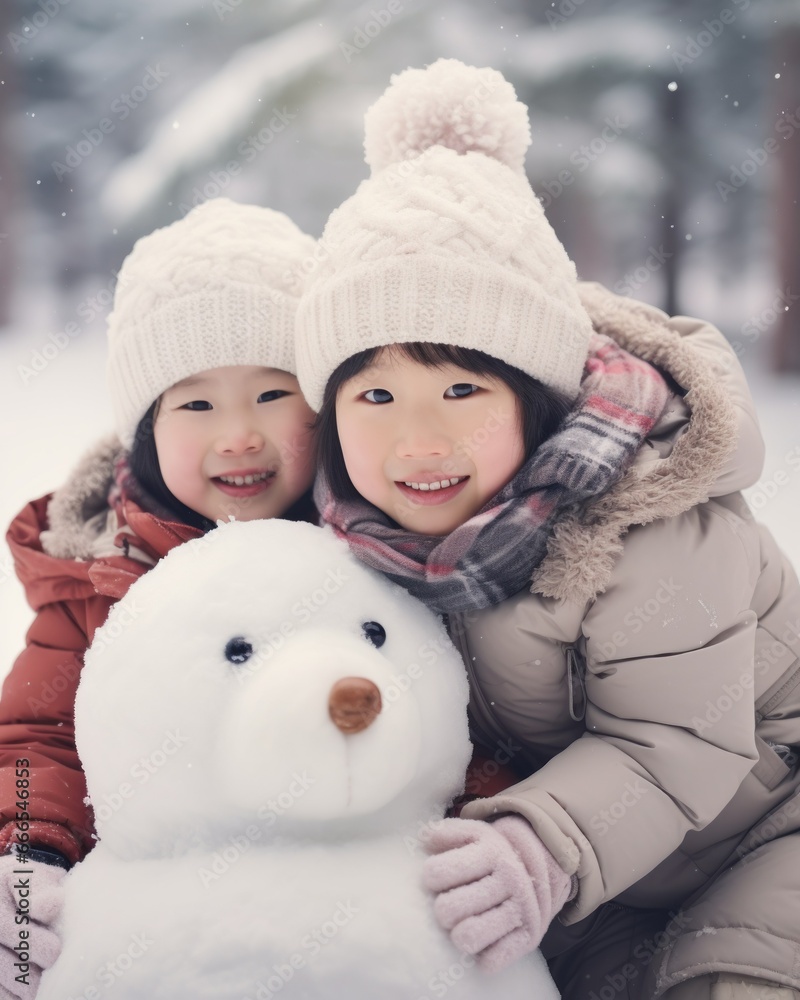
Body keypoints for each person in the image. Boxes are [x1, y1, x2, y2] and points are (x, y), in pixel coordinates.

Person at [294, 59, 800, 1000]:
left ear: (537, 398)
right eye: (374, 393)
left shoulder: (651, 524)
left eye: (460, 388)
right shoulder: (353, 535)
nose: (419, 437)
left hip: (766, 827)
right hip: (605, 876)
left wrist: (540, 842)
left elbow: (675, 742)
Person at [0, 197, 318, 996]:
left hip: (347, 897)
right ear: (147, 430)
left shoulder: (377, 550)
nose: (238, 434)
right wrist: (27, 850)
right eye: (197, 404)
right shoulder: (103, 577)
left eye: (273, 394)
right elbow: (38, 740)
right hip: (168, 918)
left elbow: (461, 715)